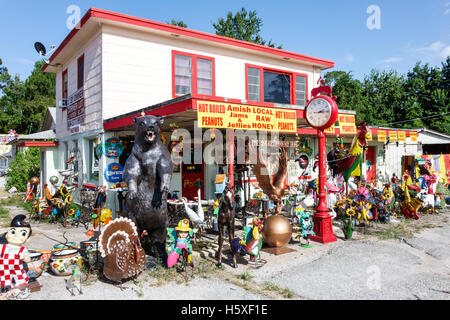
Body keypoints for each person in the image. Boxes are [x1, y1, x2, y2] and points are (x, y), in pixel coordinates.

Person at [0, 215, 32, 291]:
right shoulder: (2, 247)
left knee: (21, 277)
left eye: (23, 234)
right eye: (13, 232)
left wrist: (24, 257)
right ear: (7, 234)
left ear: (27, 239)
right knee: (5, 277)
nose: (16, 236)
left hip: (17, 267)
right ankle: (6, 285)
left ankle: (23, 282)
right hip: (5, 268)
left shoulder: (22, 249)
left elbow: (28, 259)